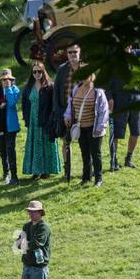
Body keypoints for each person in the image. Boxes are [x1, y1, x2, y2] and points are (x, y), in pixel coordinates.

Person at [65, 73, 109, 187]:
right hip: (81, 128)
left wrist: (100, 127)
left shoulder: (98, 91)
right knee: (85, 153)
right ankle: (86, 177)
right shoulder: (76, 88)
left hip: (94, 129)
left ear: (91, 76)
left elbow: (103, 111)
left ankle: (98, 179)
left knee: (95, 154)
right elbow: (70, 104)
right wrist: (68, 115)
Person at [21, 61, 61, 179]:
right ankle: (35, 170)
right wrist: (26, 119)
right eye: (35, 72)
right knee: (35, 144)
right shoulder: (28, 87)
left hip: (46, 120)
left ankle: (47, 170)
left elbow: (54, 104)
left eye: (39, 71)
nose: (37, 74)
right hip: (33, 121)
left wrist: (52, 119)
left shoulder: (50, 86)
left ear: (43, 72)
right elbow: (25, 104)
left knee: (46, 144)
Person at [107, 47, 140, 171]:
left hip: (135, 101)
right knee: (116, 134)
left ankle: (129, 159)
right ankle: (114, 160)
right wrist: (109, 97)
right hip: (118, 102)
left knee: (136, 132)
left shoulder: (137, 55)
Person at [52, 42, 84, 181]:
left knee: (84, 143)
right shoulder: (61, 69)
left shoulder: (86, 69)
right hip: (65, 112)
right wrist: (59, 112)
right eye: (69, 52)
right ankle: (67, 169)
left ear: (79, 53)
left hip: (83, 112)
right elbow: (56, 91)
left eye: (74, 52)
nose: (72, 55)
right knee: (66, 142)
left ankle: (86, 169)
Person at [0, 68, 21, 186]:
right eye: (3, 80)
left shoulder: (15, 90)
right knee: (2, 151)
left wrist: (8, 89)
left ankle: (14, 176)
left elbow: (12, 103)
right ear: (0, 80)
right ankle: (5, 173)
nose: (5, 81)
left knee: (10, 150)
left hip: (10, 126)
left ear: (11, 79)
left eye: (7, 79)